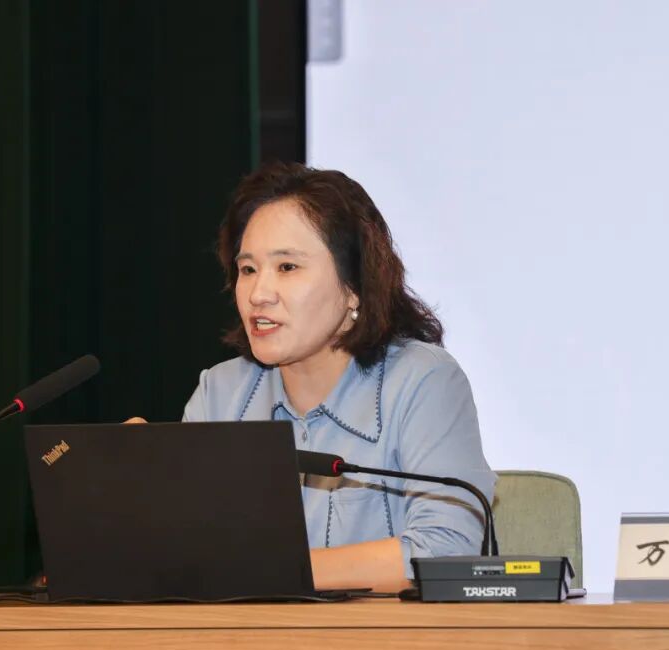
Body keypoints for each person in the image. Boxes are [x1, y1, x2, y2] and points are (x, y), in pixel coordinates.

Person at [138, 162, 496, 593]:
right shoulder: (221, 393)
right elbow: (183, 559)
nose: (258, 294)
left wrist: (269, 569)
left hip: (388, 637)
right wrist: (143, 502)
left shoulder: (423, 381)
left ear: (353, 288)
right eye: (248, 269)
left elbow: (445, 550)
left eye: (287, 267)